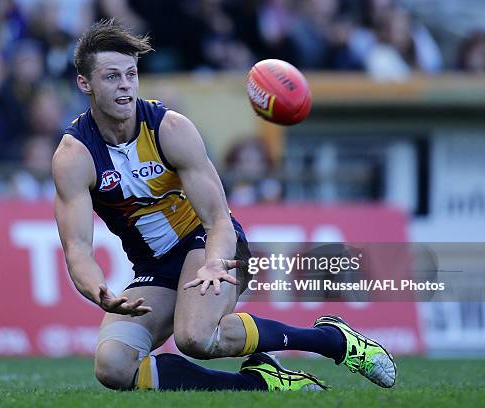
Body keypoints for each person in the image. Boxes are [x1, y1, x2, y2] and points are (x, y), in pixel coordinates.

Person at [53, 19, 396, 392]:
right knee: (113, 366)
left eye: (131, 74)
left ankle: (335, 341)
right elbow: (78, 249)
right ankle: (261, 384)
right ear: (84, 83)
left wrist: (215, 260)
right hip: (155, 267)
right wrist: (99, 290)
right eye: (111, 76)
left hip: (209, 243)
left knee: (196, 338)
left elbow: (218, 219)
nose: (125, 86)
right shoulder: (75, 154)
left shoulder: (170, 129)